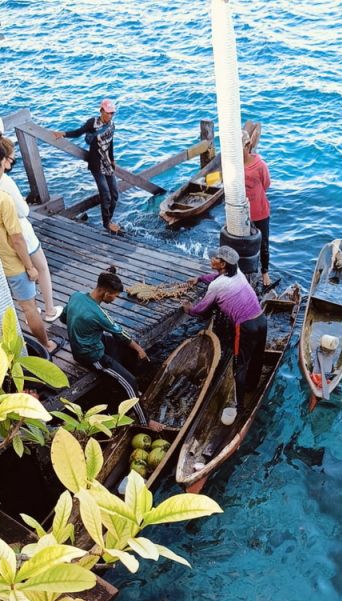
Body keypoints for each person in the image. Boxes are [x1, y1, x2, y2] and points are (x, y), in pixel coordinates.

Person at [0, 134, 63, 355]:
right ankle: (46, 344)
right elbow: (17, 239)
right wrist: (29, 267)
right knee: (29, 308)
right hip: (11, 263)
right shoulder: (1, 197)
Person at [60, 266, 162, 430]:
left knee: (124, 349)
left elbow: (63, 318)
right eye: (115, 295)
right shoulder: (99, 314)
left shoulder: (76, 296)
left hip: (87, 341)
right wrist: (140, 350)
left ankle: (121, 378)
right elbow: (120, 333)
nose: (115, 298)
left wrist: (83, 331)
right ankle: (145, 421)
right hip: (91, 355)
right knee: (131, 382)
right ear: (106, 292)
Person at [182, 246, 267, 415]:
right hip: (261, 320)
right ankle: (252, 386)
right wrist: (199, 278)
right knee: (257, 357)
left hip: (245, 327)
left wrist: (189, 309)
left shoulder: (217, 286)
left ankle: (240, 408)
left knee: (239, 366)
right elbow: (216, 278)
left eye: (215, 258)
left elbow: (202, 308)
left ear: (223, 264)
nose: (212, 259)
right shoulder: (238, 274)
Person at [53, 99, 123, 235]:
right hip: (96, 164)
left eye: (112, 113)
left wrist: (113, 160)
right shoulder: (93, 123)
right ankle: (106, 223)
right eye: (108, 113)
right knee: (106, 195)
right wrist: (63, 134)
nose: (110, 116)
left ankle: (109, 219)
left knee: (114, 194)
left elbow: (110, 142)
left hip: (107, 163)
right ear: (101, 111)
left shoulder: (111, 125)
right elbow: (79, 132)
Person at [242, 122, 273, 289]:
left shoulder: (259, 165)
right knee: (245, 243)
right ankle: (247, 272)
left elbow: (266, 184)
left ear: (248, 146)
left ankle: (265, 272)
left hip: (260, 211)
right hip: (243, 213)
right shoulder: (236, 165)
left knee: (263, 243)